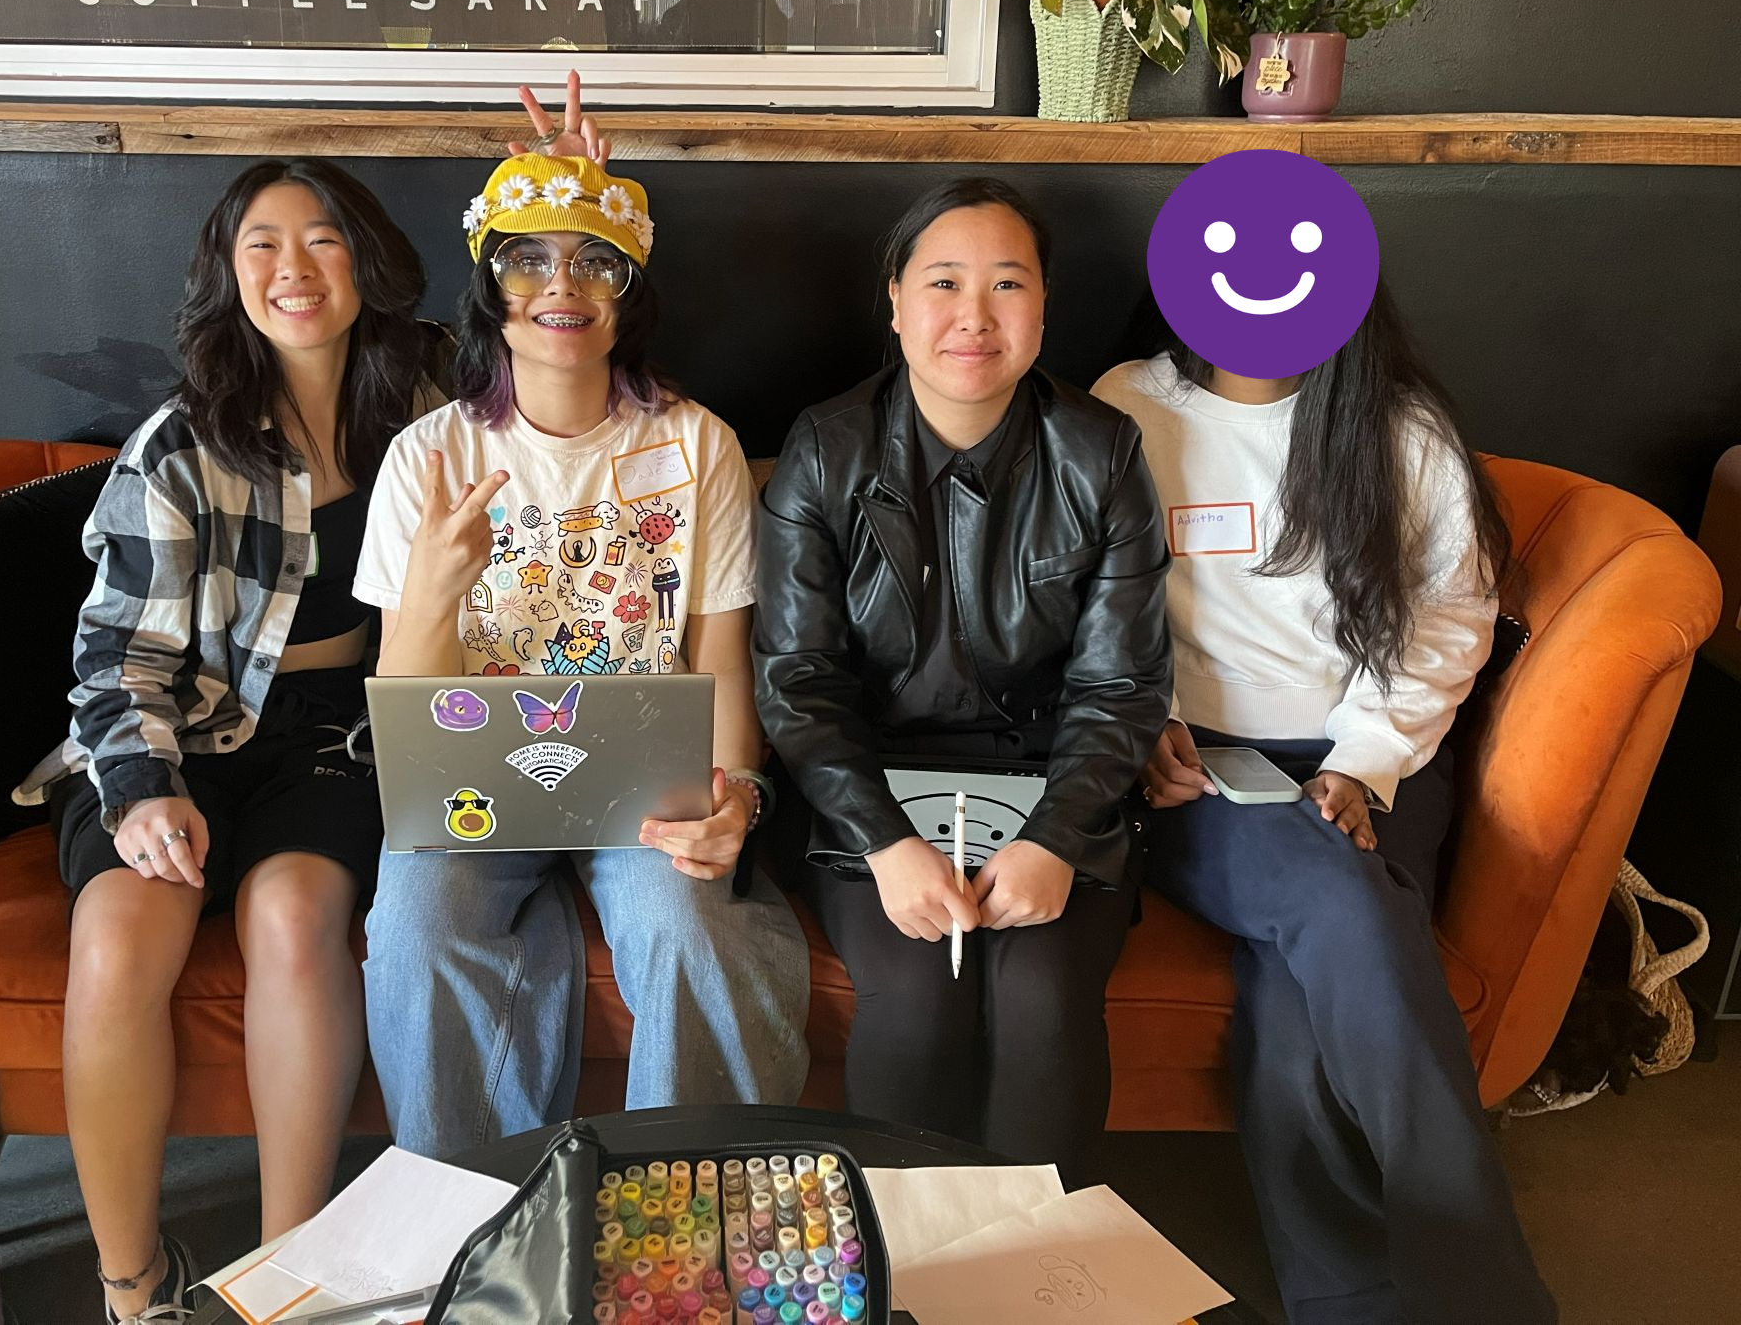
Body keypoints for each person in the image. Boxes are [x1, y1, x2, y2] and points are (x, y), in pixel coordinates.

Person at [15, 159, 443, 1323]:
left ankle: (284, 1276)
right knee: (117, 933)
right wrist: (147, 790)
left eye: (322, 240)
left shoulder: (436, 403)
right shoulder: (182, 443)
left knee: (294, 919)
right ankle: (132, 1283)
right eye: (263, 244)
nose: (294, 269)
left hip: (339, 732)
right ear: (227, 269)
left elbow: (562, 324)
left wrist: (571, 192)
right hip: (181, 731)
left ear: (368, 260)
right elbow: (118, 657)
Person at [1093, 286, 1556, 1324]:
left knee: (1301, 1000)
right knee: (1340, 906)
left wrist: (1357, 765)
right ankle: (1486, 1298)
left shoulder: (1401, 429)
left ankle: (1346, 1301)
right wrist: (1141, 722)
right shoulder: (1127, 404)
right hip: (1194, 768)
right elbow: (1094, 589)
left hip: (1372, 757)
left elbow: (1447, 618)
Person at [353, 109, 811, 1155]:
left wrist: (734, 800)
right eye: (526, 263)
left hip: (644, 789)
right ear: (487, 290)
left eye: (593, 265)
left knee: (692, 922)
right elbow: (408, 718)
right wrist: (431, 591)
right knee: (417, 929)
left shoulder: (697, 445)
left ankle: (684, 1212)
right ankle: (470, 1219)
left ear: (630, 296)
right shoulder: (429, 456)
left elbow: (721, 661)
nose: (559, 288)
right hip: (474, 788)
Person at [753, 178, 1172, 1185]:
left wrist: (1055, 836)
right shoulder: (825, 448)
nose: (972, 316)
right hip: (870, 791)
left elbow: (1120, 684)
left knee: (1040, 1003)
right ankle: (906, 1268)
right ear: (894, 302)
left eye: (1005, 284)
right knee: (914, 995)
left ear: (1042, 309)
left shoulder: (1101, 450)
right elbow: (797, 681)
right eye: (942, 282)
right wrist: (886, 844)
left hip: (1053, 785)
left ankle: (1036, 1276)